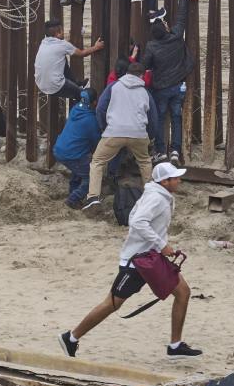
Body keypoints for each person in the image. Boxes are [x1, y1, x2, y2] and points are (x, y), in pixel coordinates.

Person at [58, 162, 202, 359]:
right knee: (112, 304)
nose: (179, 181)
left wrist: (159, 247)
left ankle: (175, 346)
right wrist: (161, 245)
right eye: (175, 178)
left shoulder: (158, 195)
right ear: (165, 181)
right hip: (137, 262)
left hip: (153, 259)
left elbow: (135, 214)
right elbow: (137, 221)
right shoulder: (156, 198)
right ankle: (71, 338)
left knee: (183, 292)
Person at [82, 63, 156, 211]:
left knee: (97, 162)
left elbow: (101, 108)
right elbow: (153, 117)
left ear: (126, 74)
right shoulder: (145, 92)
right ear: (141, 75)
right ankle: (152, 196)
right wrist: (150, 137)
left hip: (114, 131)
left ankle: (93, 198)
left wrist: (105, 127)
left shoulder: (113, 87)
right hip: (138, 133)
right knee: (145, 162)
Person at [143, 0, 196, 165]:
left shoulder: (151, 46)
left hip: (161, 89)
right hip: (178, 86)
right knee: (176, 118)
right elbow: (181, 16)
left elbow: (144, 65)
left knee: (159, 118)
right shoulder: (176, 36)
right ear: (165, 29)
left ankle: (160, 151)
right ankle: (175, 151)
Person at [53, 87, 101, 207]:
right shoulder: (91, 120)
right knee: (91, 176)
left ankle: (72, 191)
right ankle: (74, 199)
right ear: (95, 102)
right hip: (72, 154)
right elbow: (97, 142)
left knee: (79, 168)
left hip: (59, 149)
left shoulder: (75, 109)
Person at [34, 19, 105, 100]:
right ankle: (80, 102)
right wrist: (96, 47)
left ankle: (76, 83)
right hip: (56, 86)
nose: (64, 32)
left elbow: (60, 50)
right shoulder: (62, 45)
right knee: (83, 96)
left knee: (62, 58)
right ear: (58, 33)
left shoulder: (43, 43)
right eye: (62, 31)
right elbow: (82, 53)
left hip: (41, 85)